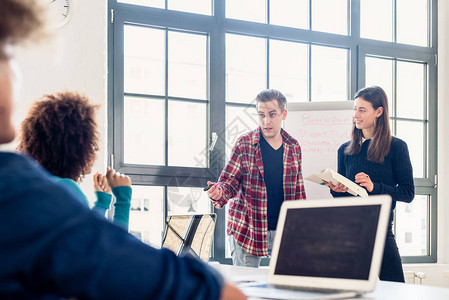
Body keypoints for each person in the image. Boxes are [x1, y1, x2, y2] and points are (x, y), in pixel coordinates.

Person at [0, 1, 245, 299]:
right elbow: (109, 255)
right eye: (7, 53)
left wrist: (104, 201)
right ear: (82, 148)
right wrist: (122, 200)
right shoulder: (26, 193)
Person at [207, 89, 306, 267]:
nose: (266, 121)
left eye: (272, 114)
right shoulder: (244, 144)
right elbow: (229, 182)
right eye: (261, 115)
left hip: (284, 230)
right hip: (248, 229)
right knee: (246, 289)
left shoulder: (293, 146)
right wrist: (218, 192)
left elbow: (298, 192)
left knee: (287, 287)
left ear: (283, 114)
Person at [325, 86, 414, 282]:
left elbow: (408, 193)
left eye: (362, 110)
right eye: (354, 109)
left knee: (396, 289)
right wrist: (337, 190)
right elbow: (345, 196)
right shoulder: (344, 150)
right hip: (349, 230)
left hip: (380, 229)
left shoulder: (397, 147)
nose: (355, 115)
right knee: (347, 292)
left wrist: (376, 188)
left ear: (379, 111)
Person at [17, 91, 132, 229]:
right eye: (92, 144)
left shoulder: (39, 187)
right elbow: (112, 247)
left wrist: (101, 204)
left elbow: (81, 233)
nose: (95, 150)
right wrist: (123, 201)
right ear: (77, 147)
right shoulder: (65, 188)